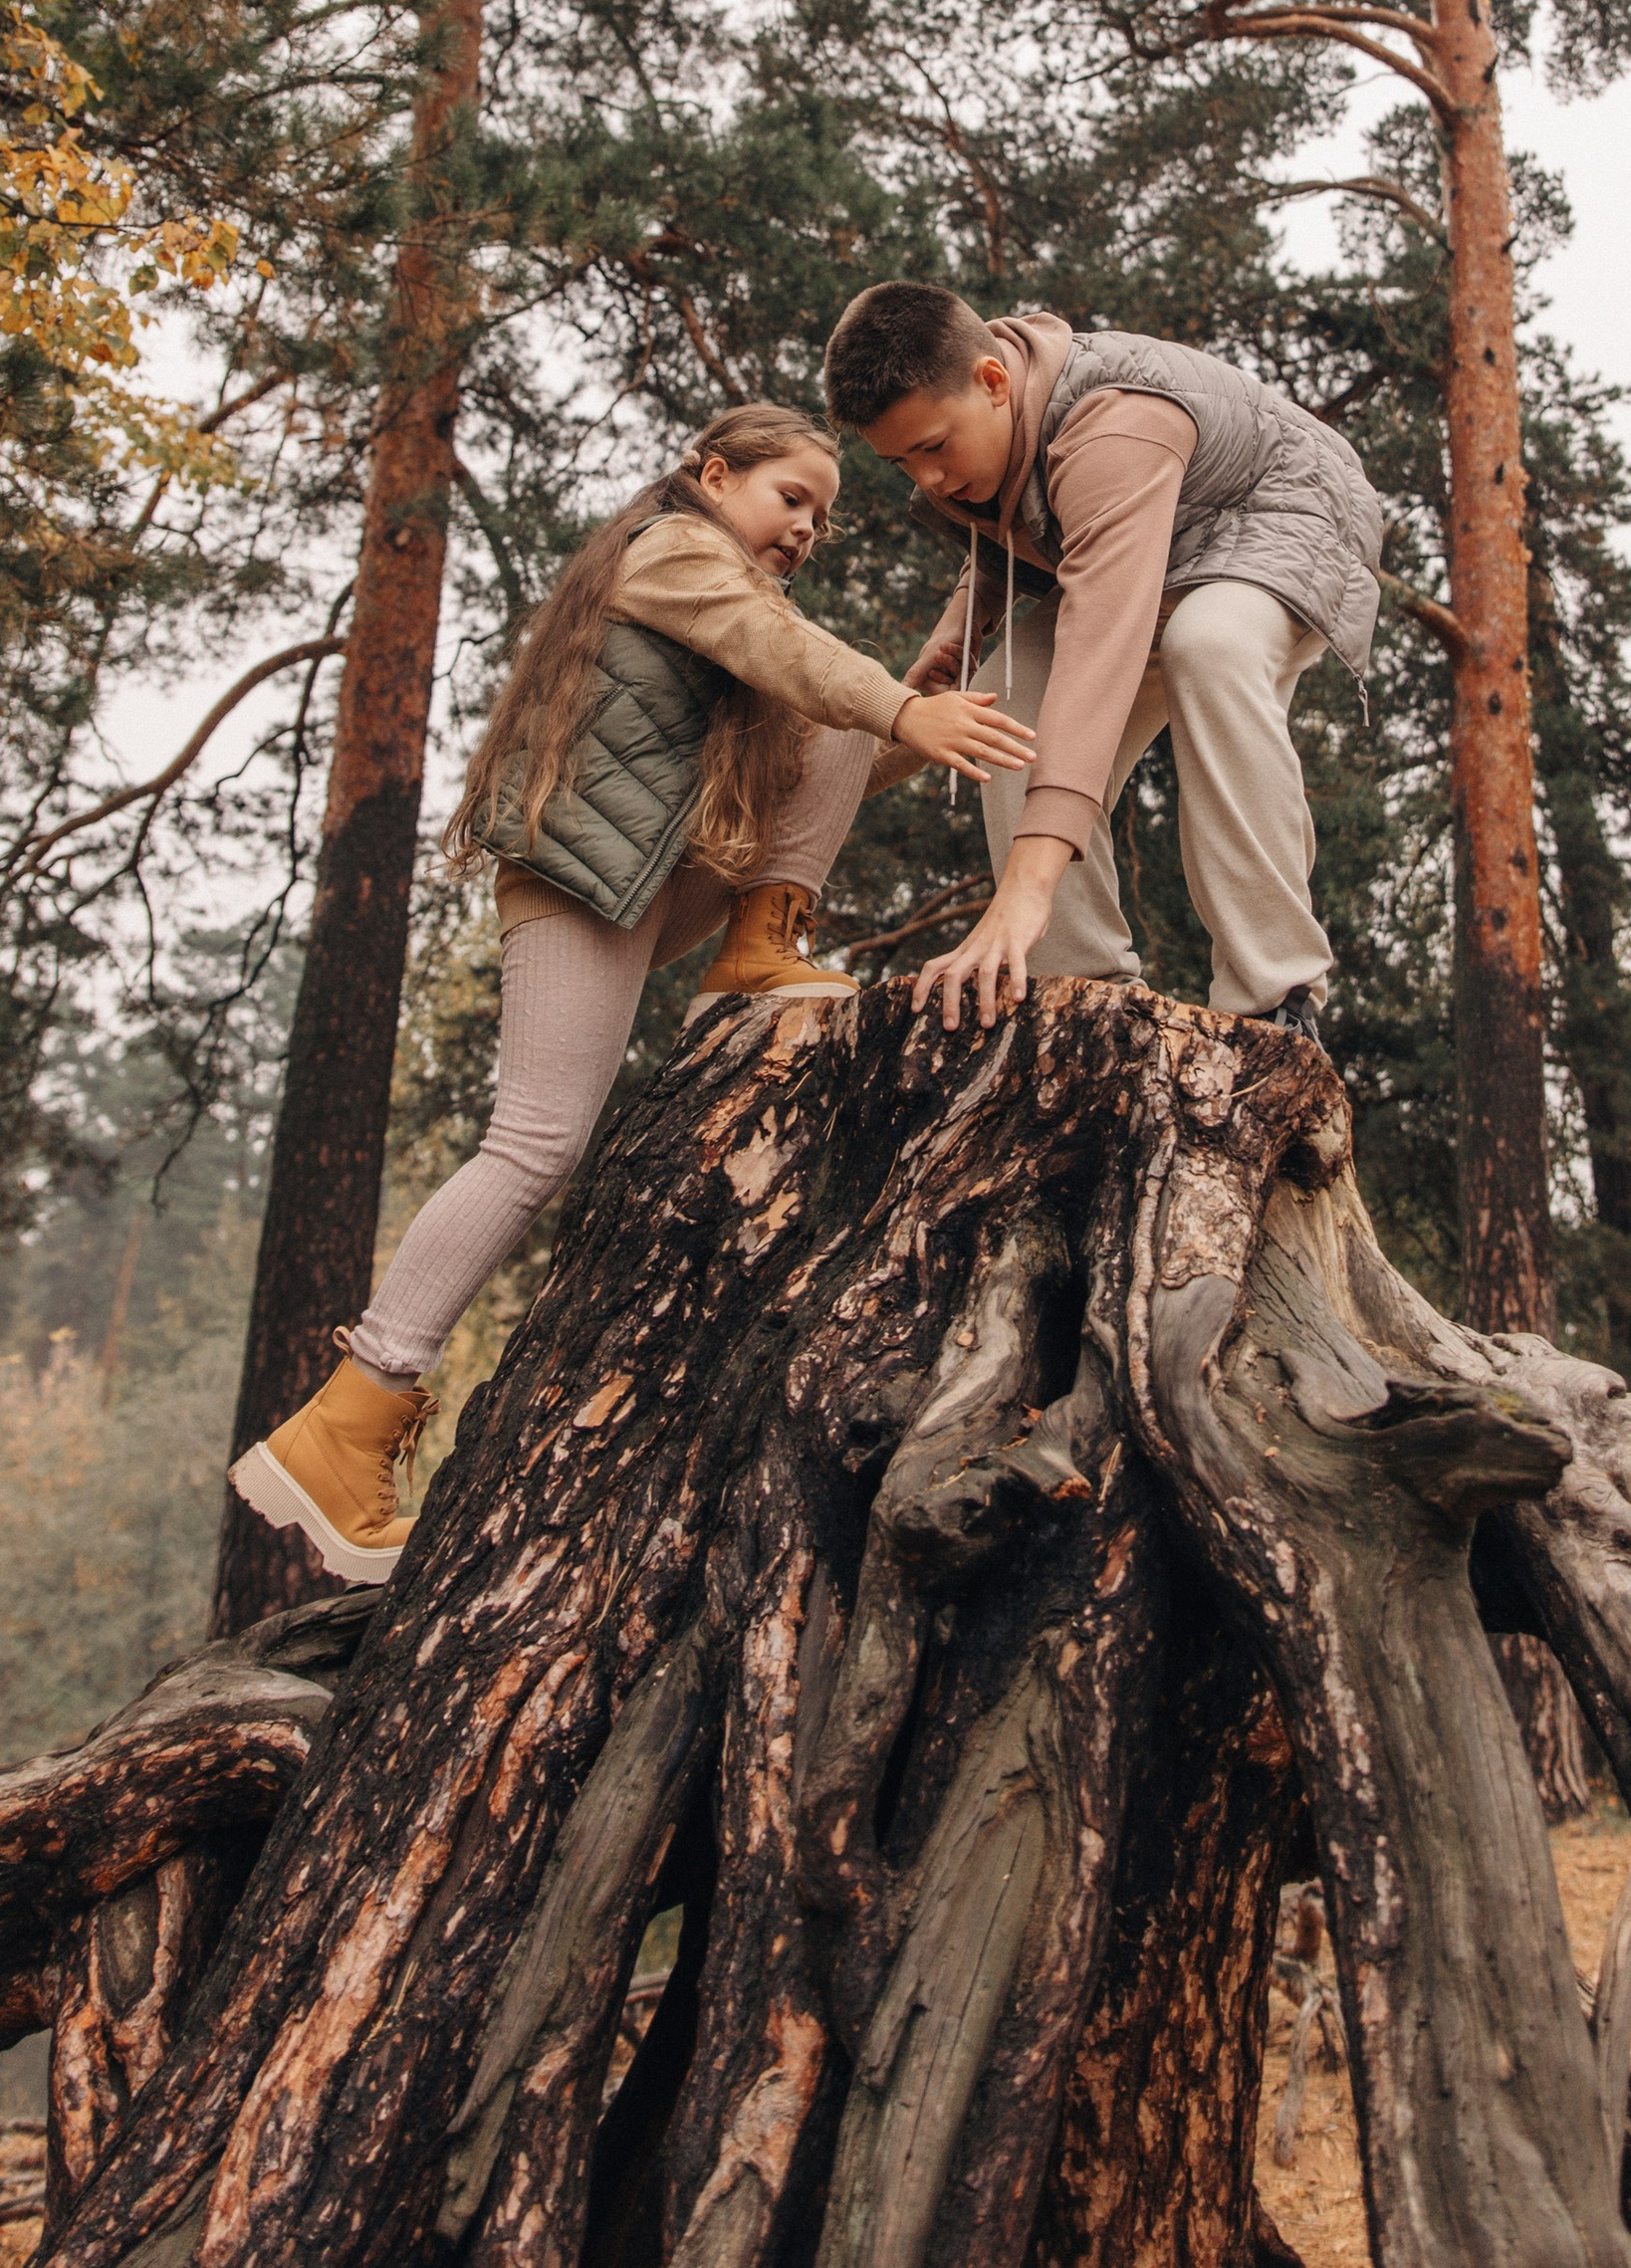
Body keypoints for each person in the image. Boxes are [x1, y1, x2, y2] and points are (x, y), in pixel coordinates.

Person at [229, 400, 1035, 1583]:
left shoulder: (749, 599)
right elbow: (795, 664)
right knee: (535, 1143)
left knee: (848, 715)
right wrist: (896, 703)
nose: (808, 528)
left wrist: (908, 711)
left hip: (658, 870)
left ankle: (761, 947)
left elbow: (828, 722)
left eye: (825, 514)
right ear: (712, 476)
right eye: (790, 498)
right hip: (574, 874)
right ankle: (344, 1422)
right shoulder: (672, 554)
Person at [822, 285, 1383, 1036]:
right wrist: (959, 633)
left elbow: (1101, 647)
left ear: (992, 381)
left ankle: (1274, 992)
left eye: (932, 447)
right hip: (1143, 541)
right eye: (899, 462)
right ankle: (1076, 992)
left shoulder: (1119, 422)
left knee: (1208, 646)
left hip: (1283, 510)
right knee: (1004, 705)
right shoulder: (982, 431)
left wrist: (1022, 889)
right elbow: (1019, 524)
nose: (924, 479)